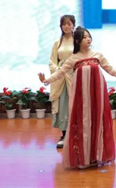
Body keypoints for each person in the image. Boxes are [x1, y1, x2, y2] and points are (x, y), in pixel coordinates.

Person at [38, 27, 116, 169]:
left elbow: (110, 69)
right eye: (84, 37)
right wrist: (46, 80)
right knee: (83, 122)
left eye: (89, 36)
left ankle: (96, 155)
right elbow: (60, 73)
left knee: (97, 121)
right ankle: (84, 158)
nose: (88, 39)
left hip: (97, 95)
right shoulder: (73, 58)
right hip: (81, 97)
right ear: (78, 41)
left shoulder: (97, 55)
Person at [48, 14, 75, 149]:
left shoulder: (78, 42)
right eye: (64, 24)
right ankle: (64, 135)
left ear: (73, 25)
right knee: (63, 107)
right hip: (61, 79)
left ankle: (76, 135)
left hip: (74, 78)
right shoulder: (57, 43)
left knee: (75, 105)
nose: (66, 26)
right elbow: (52, 61)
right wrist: (59, 70)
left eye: (69, 24)